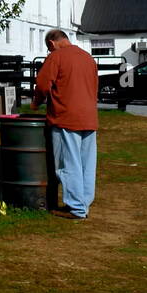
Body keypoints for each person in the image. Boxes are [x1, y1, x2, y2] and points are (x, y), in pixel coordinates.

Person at [32, 29, 98, 219]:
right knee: (86, 164)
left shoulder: (56, 57)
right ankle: (84, 204)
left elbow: (43, 84)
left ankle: (76, 208)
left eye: (48, 49)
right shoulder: (87, 58)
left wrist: (36, 102)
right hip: (89, 117)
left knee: (68, 164)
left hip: (65, 116)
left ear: (52, 43)